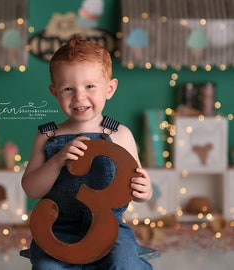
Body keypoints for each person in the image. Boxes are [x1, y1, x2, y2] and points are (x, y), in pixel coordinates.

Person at [22, 34, 153, 269]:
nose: (79, 96)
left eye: (90, 86)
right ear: (54, 93)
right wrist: (58, 160)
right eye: (68, 88)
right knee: (46, 267)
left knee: (124, 262)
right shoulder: (47, 136)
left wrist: (145, 190)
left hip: (108, 227)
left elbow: (134, 183)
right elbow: (31, 189)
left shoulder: (120, 135)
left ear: (110, 88)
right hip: (57, 227)